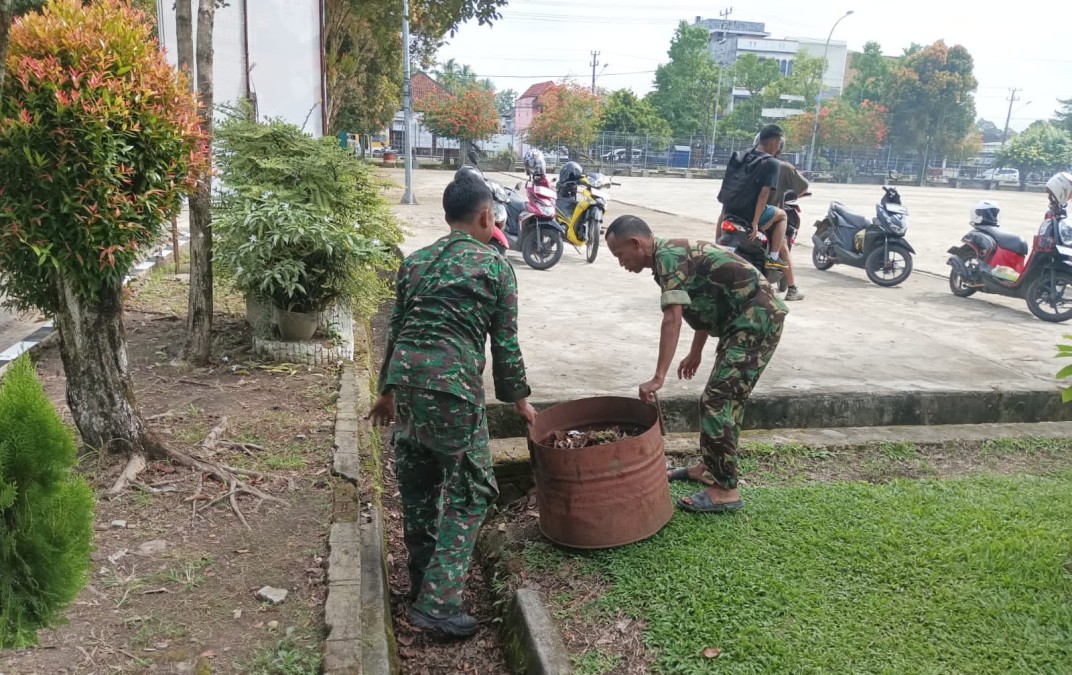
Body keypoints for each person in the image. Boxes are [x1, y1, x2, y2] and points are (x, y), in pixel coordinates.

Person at [368, 173, 538, 638]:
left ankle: (422, 582)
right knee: (473, 490)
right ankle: (439, 604)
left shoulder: (416, 262)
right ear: (486, 216)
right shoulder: (495, 267)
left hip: (406, 385)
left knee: (420, 486)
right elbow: (505, 345)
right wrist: (519, 401)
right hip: (452, 390)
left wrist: (386, 392)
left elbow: (397, 329)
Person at [605, 215, 786, 513]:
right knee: (724, 401)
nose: (620, 263)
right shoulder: (669, 255)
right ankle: (711, 469)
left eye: (619, 255)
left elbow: (672, 318)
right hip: (742, 321)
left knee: (718, 401)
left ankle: (725, 490)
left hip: (756, 320)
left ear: (636, 243)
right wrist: (695, 352)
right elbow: (706, 299)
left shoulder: (668, 258)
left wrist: (658, 377)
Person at [716, 124, 804, 301]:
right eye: (779, 144)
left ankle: (717, 248)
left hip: (730, 210)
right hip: (751, 214)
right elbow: (764, 194)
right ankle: (774, 259)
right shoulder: (773, 163)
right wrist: (755, 222)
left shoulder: (739, 155)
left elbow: (727, 184)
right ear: (775, 142)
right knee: (782, 217)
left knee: (722, 225)